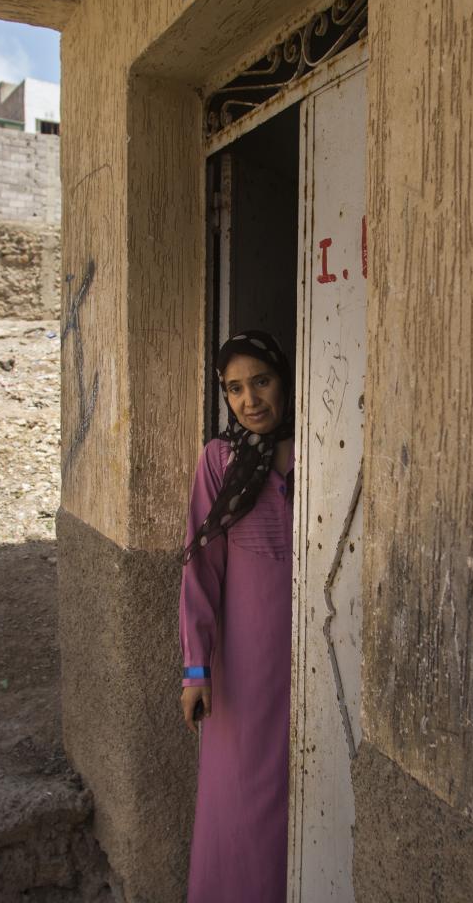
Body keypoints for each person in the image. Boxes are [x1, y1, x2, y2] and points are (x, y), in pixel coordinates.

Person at [178, 330, 294, 903]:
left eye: (262, 382)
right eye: (235, 389)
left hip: (309, 666)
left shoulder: (319, 451)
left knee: (300, 800)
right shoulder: (220, 460)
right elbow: (201, 570)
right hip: (243, 673)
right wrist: (196, 670)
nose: (250, 400)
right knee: (241, 801)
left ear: (286, 380)